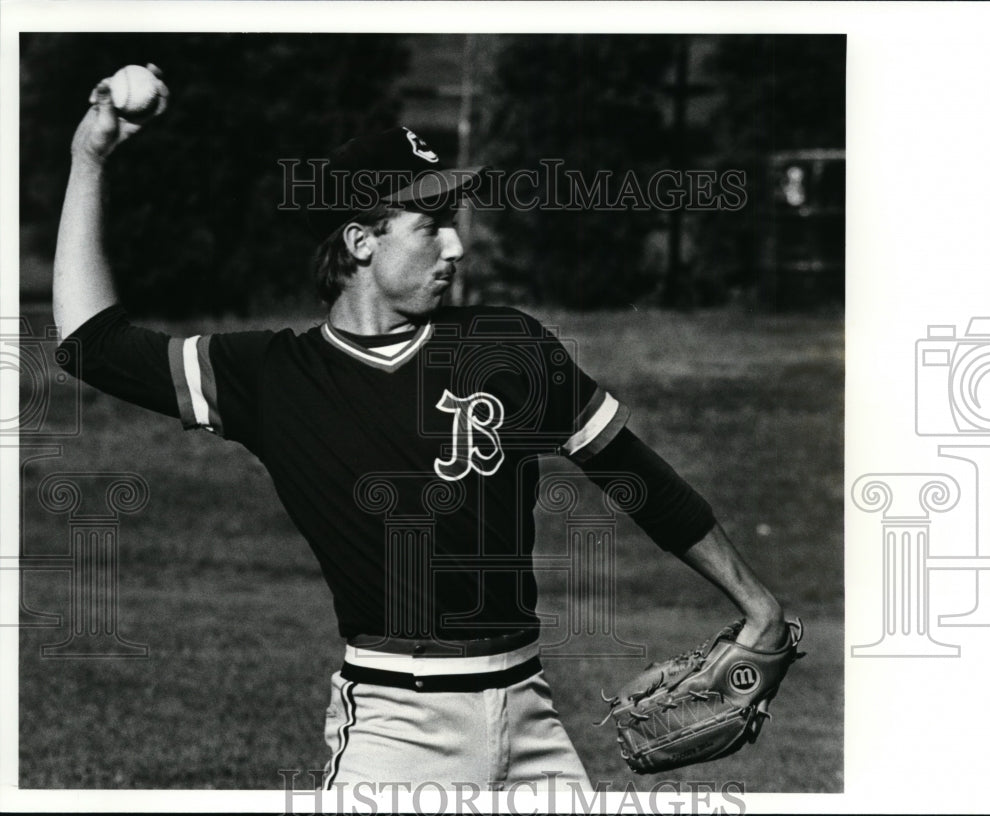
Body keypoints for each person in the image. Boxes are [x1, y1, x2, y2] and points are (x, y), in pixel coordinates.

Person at [53, 66, 788, 795]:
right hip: (394, 732)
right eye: (430, 225)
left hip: (534, 720)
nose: (456, 247)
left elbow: (635, 476)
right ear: (361, 242)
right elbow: (89, 342)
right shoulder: (273, 376)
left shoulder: (509, 346)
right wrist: (91, 157)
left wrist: (758, 604)